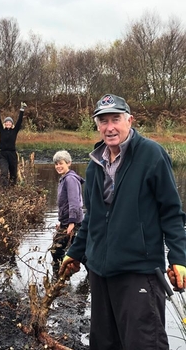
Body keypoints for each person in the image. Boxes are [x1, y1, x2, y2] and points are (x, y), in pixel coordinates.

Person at [59, 93, 186, 350]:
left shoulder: (152, 155)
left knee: (144, 343)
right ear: (97, 125)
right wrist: (75, 252)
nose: (109, 127)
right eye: (103, 121)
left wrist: (179, 258)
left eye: (115, 119)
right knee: (104, 344)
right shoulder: (95, 164)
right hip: (100, 272)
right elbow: (93, 217)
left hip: (139, 271)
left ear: (130, 120)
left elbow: (171, 212)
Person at [49, 150, 84, 274]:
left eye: (61, 163)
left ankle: (60, 279)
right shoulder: (64, 179)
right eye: (56, 164)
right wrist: (62, 222)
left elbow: (74, 202)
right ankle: (60, 279)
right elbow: (64, 204)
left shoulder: (70, 179)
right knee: (59, 251)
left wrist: (71, 223)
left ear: (69, 163)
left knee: (60, 251)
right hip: (67, 222)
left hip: (75, 222)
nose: (58, 166)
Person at [0, 101, 26, 187]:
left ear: (12, 124)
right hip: (3, 154)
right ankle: (4, 190)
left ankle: (12, 190)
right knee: (4, 172)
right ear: (4, 124)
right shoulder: (1, 130)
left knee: (13, 174)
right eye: (6, 122)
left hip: (12, 154)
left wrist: (22, 109)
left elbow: (19, 121)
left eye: (9, 122)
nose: (8, 123)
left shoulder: (14, 131)